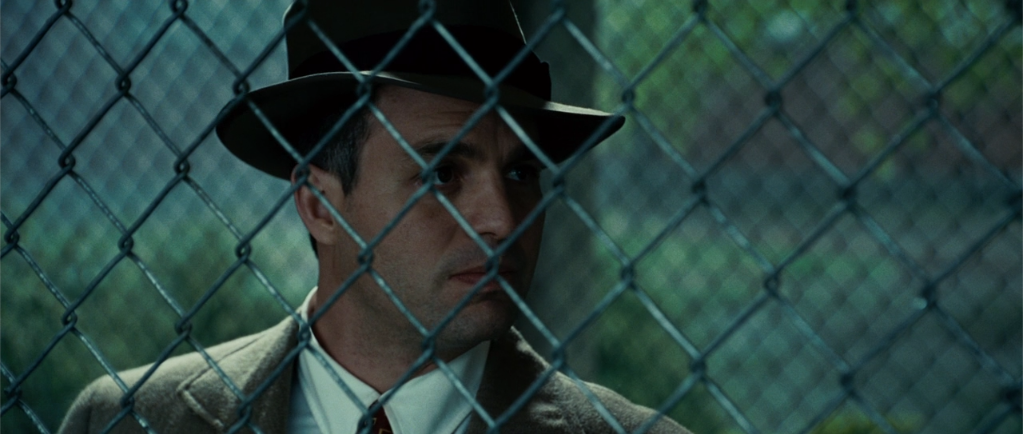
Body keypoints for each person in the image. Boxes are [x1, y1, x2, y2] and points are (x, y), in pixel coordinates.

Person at [59, 1, 693, 433]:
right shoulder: (124, 420)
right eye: (443, 174)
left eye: (522, 172)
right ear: (320, 205)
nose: (503, 220)